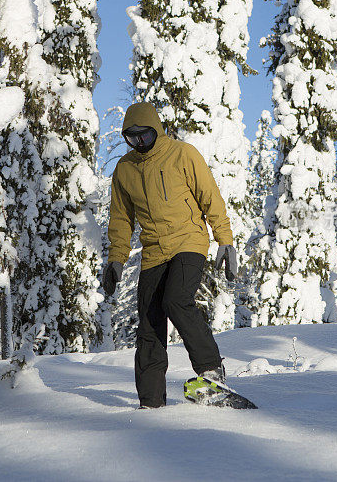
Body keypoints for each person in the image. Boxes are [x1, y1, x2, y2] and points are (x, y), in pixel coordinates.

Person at [102, 102, 238, 409]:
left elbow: (210, 197)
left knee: (176, 300)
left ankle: (211, 372)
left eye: (144, 136)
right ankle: (151, 402)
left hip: (188, 241)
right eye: (132, 137)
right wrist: (116, 259)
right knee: (149, 324)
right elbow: (121, 219)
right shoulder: (125, 169)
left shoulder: (182, 154)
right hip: (153, 252)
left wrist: (224, 240)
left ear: (156, 131)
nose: (139, 143)